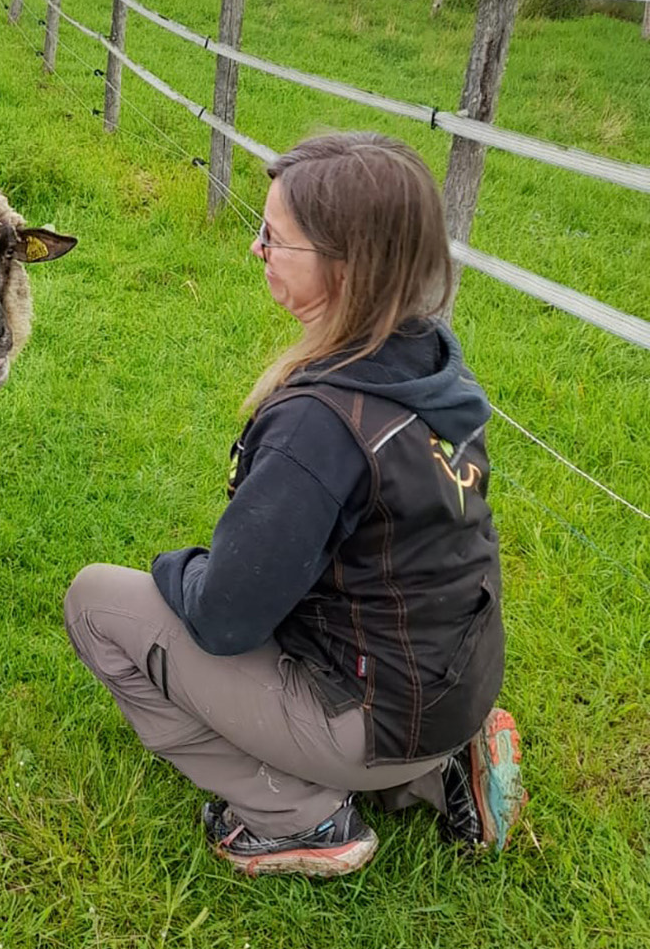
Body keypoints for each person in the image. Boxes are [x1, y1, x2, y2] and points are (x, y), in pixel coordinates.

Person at [64, 131, 526, 878]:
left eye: (274, 237)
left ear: (346, 267)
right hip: (455, 686)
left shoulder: (321, 423)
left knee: (96, 602)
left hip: (372, 716)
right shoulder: (430, 363)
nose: (256, 249)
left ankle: (296, 817)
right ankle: (440, 770)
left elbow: (222, 620)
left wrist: (177, 569)